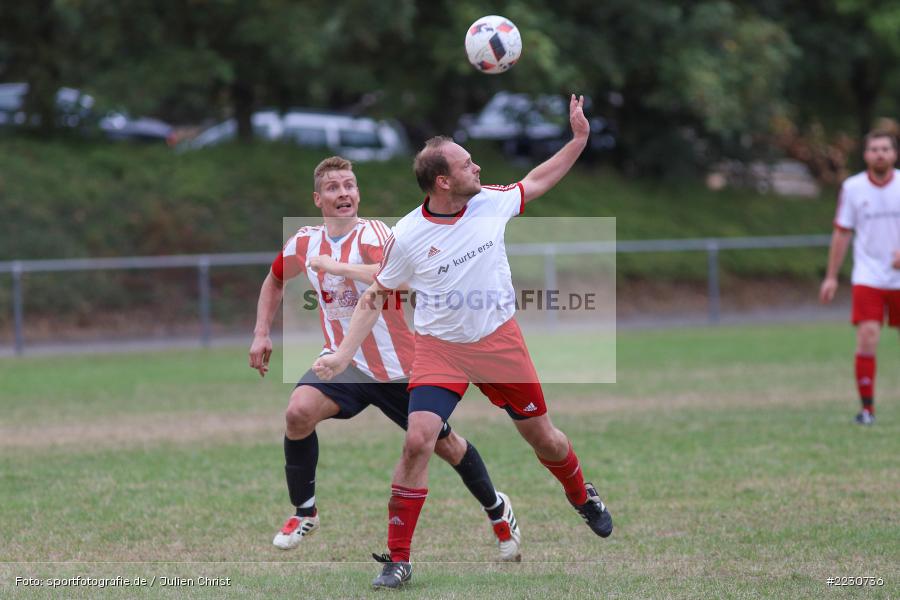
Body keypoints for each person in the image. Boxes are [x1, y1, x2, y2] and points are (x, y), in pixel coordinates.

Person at [313, 95, 613, 590]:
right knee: (417, 441)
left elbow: (535, 181)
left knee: (546, 439)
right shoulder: (407, 235)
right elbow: (376, 293)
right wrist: (343, 355)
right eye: (466, 162)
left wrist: (578, 139)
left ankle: (582, 495)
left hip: (499, 342)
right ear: (443, 182)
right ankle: (399, 559)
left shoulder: (490, 201)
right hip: (440, 349)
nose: (477, 166)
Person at [249, 156, 521, 561]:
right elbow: (274, 279)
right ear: (318, 199)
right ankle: (304, 512)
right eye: (334, 187)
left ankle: (498, 510)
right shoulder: (304, 242)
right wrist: (260, 333)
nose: (344, 193)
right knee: (297, 413)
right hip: (346, 365)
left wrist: (337, 266)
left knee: (448, 447)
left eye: (349, 185)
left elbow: (400, 277)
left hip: (402, 370)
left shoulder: (377, 234)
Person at [819, 130, 900, 425]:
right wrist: (831, 277)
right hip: (868, 276)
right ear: (866, 155)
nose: (880, 154)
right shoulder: (853, 188)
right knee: (867, 336)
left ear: (894, 154)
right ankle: (867, 410)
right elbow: (842, 232)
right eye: (874, 149)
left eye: (885, 149)